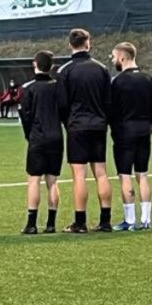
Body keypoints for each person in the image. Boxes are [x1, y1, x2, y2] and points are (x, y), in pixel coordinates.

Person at [57, 29, 113, 233]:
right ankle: (105, 220)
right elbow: (109, 101)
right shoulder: (102, 69)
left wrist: (68, 123)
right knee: (101, 172)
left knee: (79, 175)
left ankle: (80, 222)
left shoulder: (66, 71)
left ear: (70, 44)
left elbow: (62, 104)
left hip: (77, 126)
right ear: (88, 43)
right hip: (98, 125)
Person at [109, 42, 152, 231]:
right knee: (142, 175)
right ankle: (146, 219)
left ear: (122, 57)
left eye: (113, 57)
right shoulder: (148, 79)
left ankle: (130, 220)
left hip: (124, 133)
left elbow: (112, 110)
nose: (113, 60)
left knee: (125, 176)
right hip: (144, 131)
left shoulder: (118, 82)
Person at [19, 51, 62, 234]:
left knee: (34, 180)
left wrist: (30, 135)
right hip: (56, 137)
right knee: (52, 181)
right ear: (51, 66)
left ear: (34, 64)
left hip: (38, 137)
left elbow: (25, 116)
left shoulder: (28, 88)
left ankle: (31, 224)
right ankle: (51, 224)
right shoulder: (58, 87)